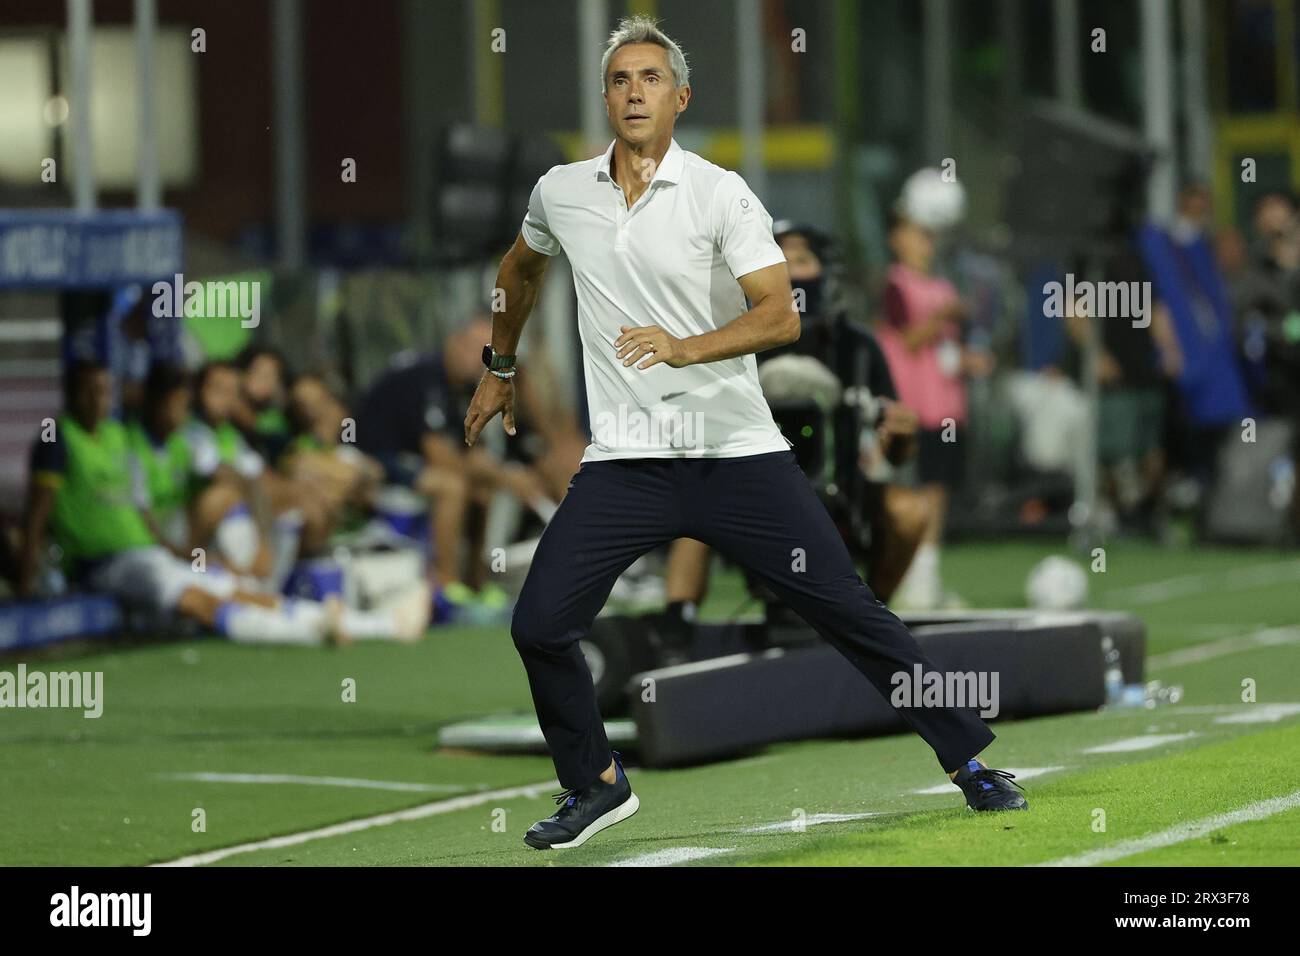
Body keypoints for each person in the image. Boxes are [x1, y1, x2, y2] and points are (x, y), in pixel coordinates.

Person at [463, 16, 1027, 852]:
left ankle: (968, 762)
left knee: (847, 612)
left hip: (736, 456)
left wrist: (685, 345)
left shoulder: (721, 193)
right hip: (627, 463)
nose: (634, 92)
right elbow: (520, 267)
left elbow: (778, 316)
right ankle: (597, 784)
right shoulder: (561, 192)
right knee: (539, 625)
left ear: (680, 97)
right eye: (620, 80)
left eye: (651, 79)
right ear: (606, 97)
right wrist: (499, 364)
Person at [18, 361, 428, 645]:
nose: (98, 399)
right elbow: (38, 511)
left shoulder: (116, 437)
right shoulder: (58, 441)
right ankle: (317, 631)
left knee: (234, 586)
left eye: (103, 389)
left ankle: (381, 625)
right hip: (107, 564)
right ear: (69, 394)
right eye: (88, 391)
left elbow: (239, 485)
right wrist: (25, 580)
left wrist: (193, 554)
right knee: (202, 598)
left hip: (150, 554)